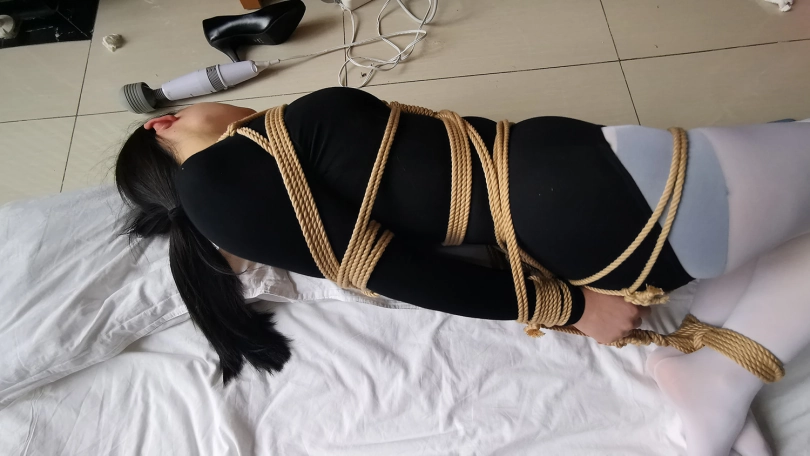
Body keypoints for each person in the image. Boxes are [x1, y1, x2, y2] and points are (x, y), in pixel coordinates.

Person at [115, 87, 810, 456]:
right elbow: (393, 272)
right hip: (607, 202)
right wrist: (572, 308)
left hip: (602, 188)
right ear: (161, 124)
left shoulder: (248, 166)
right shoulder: (212, 186)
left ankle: (722, 369)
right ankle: (719, 382)